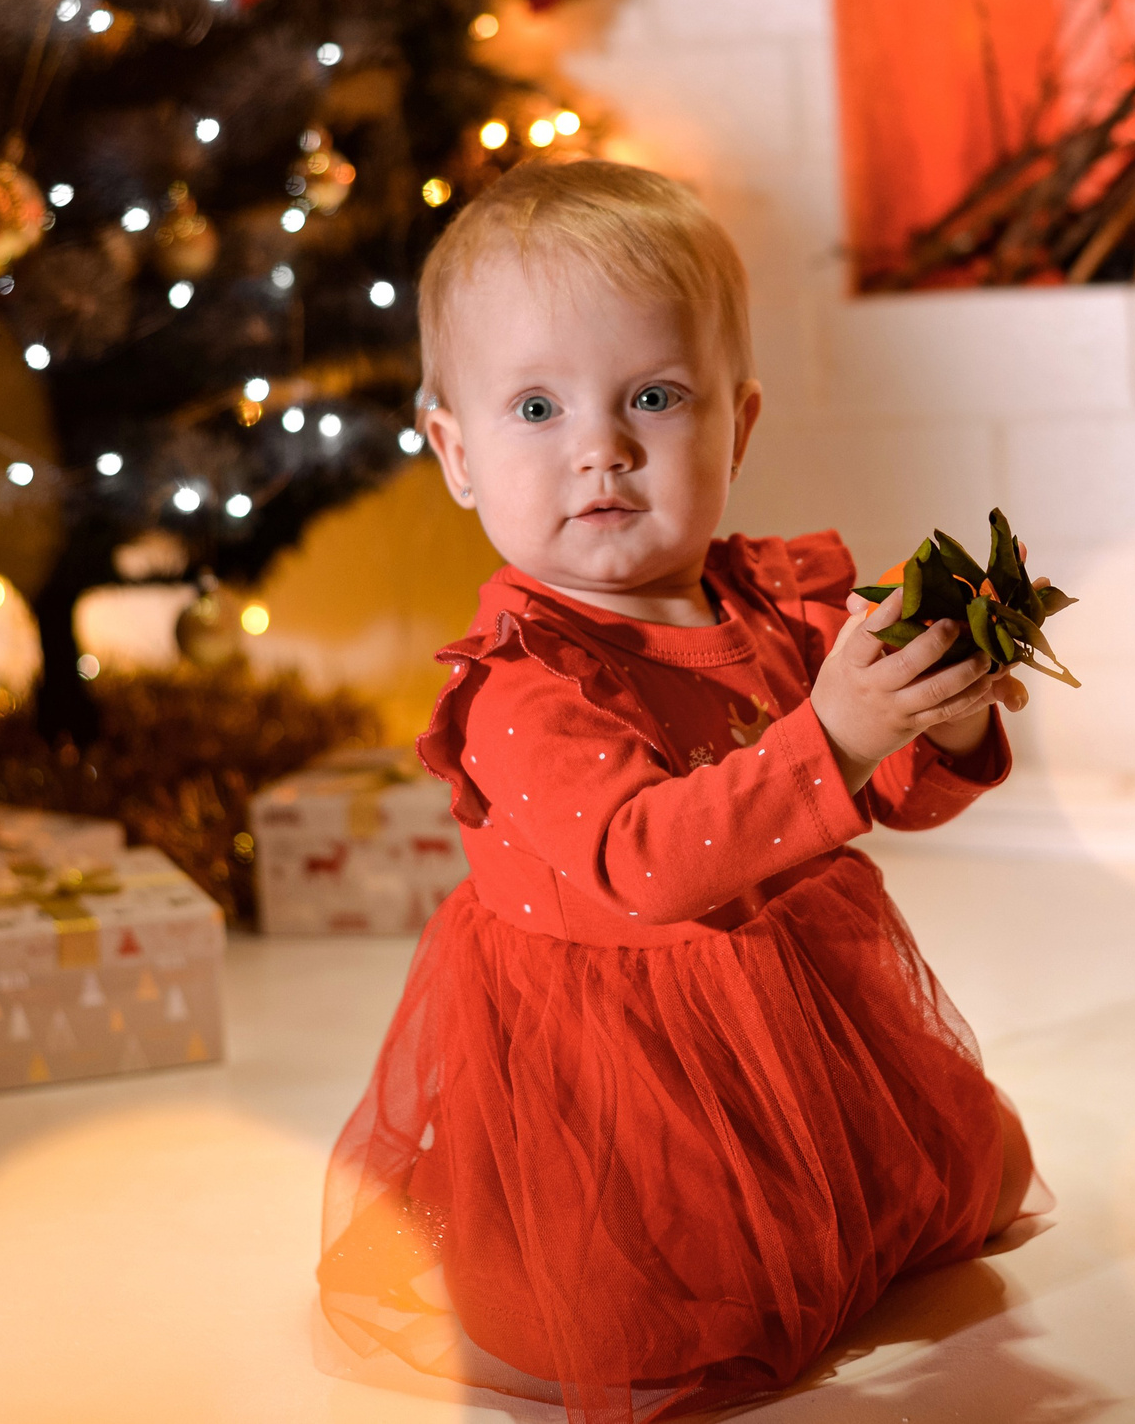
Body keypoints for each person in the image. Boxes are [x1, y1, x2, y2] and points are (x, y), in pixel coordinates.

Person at [317, 159, 1043, 1421]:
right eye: (535, 409)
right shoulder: (519, 682)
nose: (598, 447)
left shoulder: (771, 594)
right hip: (611, 1041)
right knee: (642, 1299)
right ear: (456, 452)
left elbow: (894, 796)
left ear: (736, 427)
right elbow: (644, 864)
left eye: (652, 397)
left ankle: (819, 1206)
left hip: (794, 994)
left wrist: (936, 712)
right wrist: (834, 731)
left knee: (920, 1185)